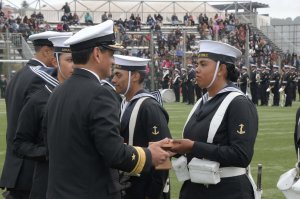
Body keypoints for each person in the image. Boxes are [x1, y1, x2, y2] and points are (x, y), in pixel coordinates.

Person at [44, 20, 170, 199]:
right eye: (111, 54)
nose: (112, 61)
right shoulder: (100, 94)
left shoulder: (57, 92)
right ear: (97, 54)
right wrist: (149, 154)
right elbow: (114, 153)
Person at [170, 40, 258, 199]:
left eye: (203, 64)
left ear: (221, 69)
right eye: (197, 64)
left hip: (227, 191)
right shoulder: (202, 101)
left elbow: (241, 155)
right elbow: (197, 145)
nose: (196, 69)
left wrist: (192, 146)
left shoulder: (238, 103)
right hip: (195, 188)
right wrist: (174, 148)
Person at [0, 31, 72, 199]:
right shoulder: (42, 78)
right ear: (47, 52)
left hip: (16, 166)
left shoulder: (20, 75)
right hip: (31, 167)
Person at [112, 54, 171, 199]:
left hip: (145, 189)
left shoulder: (149, 107)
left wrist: (152, 194)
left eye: (118, 75)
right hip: (127, 188)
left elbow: (164, 154)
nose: (113, 80)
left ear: (135, 76)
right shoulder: (123, 103)